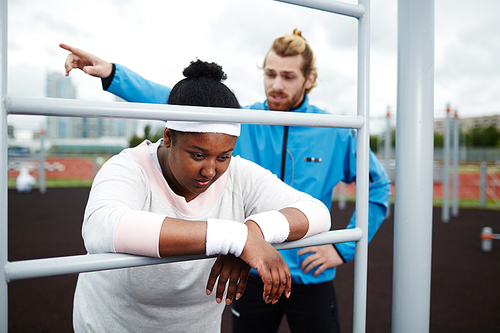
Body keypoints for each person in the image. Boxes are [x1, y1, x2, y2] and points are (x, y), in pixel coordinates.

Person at [61, 28, 391, 332]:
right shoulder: (240, 119)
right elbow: (188, 105)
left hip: (308, 266)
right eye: (270, 74)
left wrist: (342, 247)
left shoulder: (335, 130)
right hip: (243, 266)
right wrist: (115, 76)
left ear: (309, 79)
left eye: (288, 76)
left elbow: (376, 187)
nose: (277, 84)